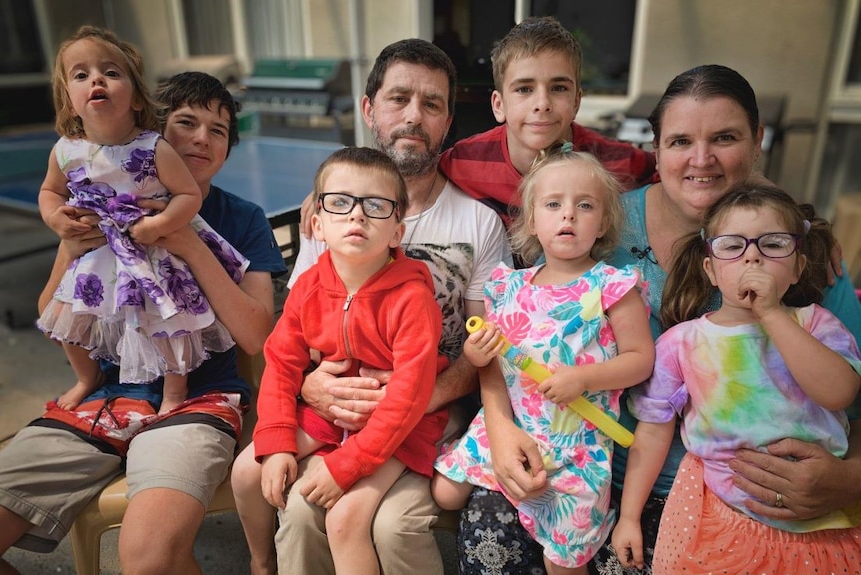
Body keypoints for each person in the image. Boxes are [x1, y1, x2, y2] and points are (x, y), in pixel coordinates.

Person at [478, 64, 861, 575]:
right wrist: (499, 426)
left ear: (757, 141)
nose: (701, 159)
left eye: (725, 138)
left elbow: (852, 397)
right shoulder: (598, 221)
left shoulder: (798, 252)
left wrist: (851, 478)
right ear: (656, 150)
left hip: (740, 501)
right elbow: (516, 337)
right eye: (680, 141)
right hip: (584, 467)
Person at [229, 38, 511, 575]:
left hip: (426, 407)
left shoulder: (478, 224)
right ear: (368, 109)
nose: (413, 115)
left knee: (378, 521)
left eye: (431, 104)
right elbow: (294, 344)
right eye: (399, 98)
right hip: (338, 401)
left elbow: (482, 347)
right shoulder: (332, 216)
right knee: (294, 503)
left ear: (448, 119)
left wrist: (420, 399)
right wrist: (310, 389)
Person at [0, 70, 286, 575]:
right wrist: (68, 249)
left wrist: (189, 245)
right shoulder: (91, 202)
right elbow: (52, 313)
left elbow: (258, 335)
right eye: (186, 122)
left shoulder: (244, 218)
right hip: (101, 402)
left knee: (149, 560)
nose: (201, 137)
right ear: (153, 131)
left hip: (197, 400)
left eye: (217, 130)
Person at [612, 184, 861, 574]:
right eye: (733, 247)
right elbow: (653, 432)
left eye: (773, 244)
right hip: (718, 515)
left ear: (798, 266)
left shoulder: (816, 324)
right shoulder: (683, 343)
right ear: (710, 269)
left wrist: (773, 315)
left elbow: (839, 392)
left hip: (822, 524)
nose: (753, 258)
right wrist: (629, 517)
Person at [432, 146, 655, 574]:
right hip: (514, 427)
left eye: (584, 205)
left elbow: (641, 359)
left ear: (604, 221)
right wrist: (478, 354)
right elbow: (492, 363)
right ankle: (519, 497)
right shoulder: (508, 286)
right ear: (533, 220)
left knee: (564, 563)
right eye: (553, 204)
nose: (568, 216)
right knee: (445, 493)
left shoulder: (611, 286)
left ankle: (542, 520)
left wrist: (586, 377)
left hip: (577, 446)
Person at [252, 146, 449, 575]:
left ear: (397, 232)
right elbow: (281, 362)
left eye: (375, 206)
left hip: (404, 424)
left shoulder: (413, 299)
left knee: (344, 521)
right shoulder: (307, 285)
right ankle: (260, 563)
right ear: (317, 224)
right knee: (248, 472)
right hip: (342, 409)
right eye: (341, 202)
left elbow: (409, 398)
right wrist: (277, 438)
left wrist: (348, 464)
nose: (357, 216)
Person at [36, 26, 247, 415]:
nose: (96, 79)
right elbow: (50, 191)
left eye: (111, 73)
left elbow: (189, 195)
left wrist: (160, 225)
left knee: (168, 323)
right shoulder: (66, 150)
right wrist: (54, 218)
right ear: (69, 100)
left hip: (150, 251)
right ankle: (87, 377)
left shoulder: (153, 147)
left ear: (136, 98)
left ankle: (173, 393)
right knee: (67, 321)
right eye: (80, 75)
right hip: (97, 252)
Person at [437, 16, 656, 223]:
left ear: (576, 102)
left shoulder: (617, 162)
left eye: (558, 88)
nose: (542, 103)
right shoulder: (462, 162)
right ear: (499, 105)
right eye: (524, 89)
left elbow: (672, 178)